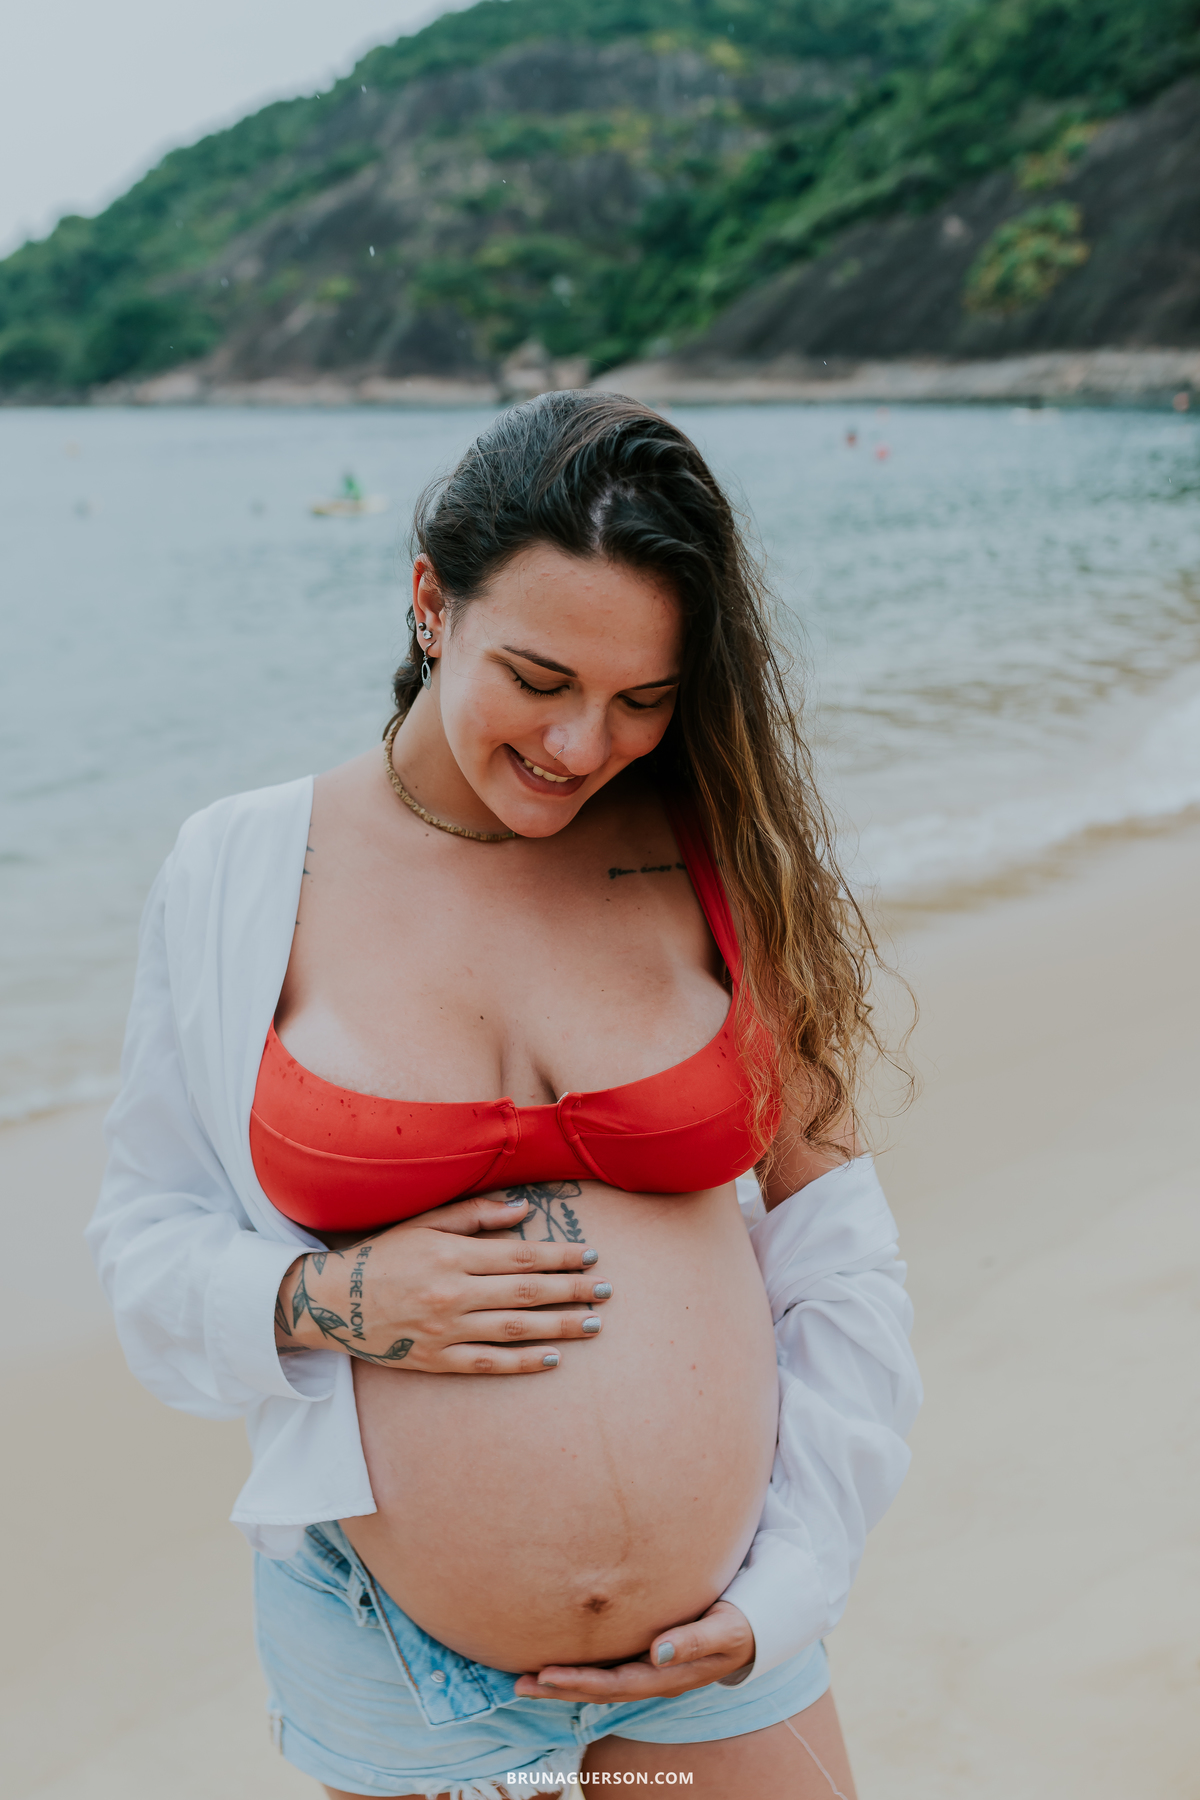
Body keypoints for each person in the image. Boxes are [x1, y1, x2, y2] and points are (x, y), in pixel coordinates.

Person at [89, 393, 921, 1800]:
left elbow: (834, 1233)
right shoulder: (243, 872)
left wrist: (790, 1580)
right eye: (539, 677)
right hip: (402, 1671)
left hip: (722, 1643)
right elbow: (143, 1243)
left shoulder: (718, 845)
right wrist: (334, 1303)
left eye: (641, 699)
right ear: (431, 604)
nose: (583, 745)